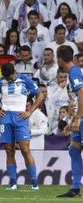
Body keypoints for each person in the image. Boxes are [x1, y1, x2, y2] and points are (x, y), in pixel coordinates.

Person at [0, 62, 44, 191]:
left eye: (10, 77)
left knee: (25, 149)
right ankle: (13, 182)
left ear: (14, 72)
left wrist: (30, 111)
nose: (9, 79)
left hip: (20, 118)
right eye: (6, 77)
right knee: (9, 149)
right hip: (6, 118)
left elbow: (40, 95)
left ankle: (34, 183)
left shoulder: (24, 80)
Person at [57, 45, 83, 197]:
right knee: (74, 150)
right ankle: (75, 188)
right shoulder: (74, 72)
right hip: (80, 118)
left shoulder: (74, 73)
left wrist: (78, 119)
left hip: (82, 119)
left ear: (59, 59)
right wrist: (72, 122)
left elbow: (81, 94)